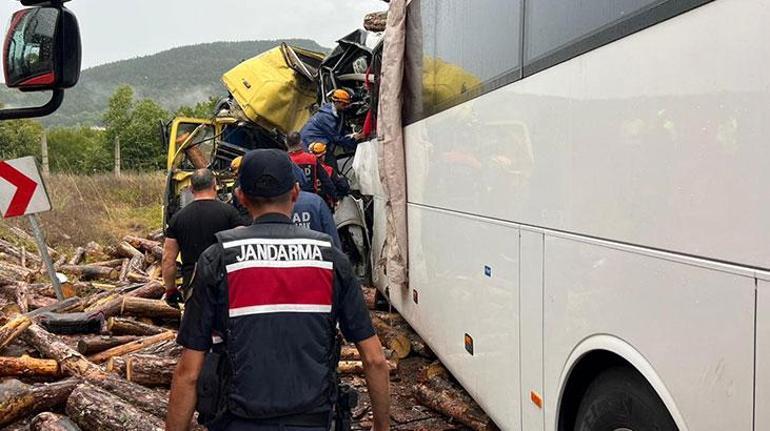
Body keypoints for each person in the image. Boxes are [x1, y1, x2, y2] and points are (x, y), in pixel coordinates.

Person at [166, 149, 391, 431]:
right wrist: (382, 426)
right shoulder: (330, 259)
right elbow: (374, 359)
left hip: (239, 420)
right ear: (296, 192)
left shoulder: (218, 259)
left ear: (240, 197)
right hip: (314, 419)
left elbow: (188, 374)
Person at [162, 169, 245, 306]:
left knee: (196, 325)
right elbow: (243, 247)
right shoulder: (230, 214)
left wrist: (171, 290)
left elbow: (168, 259)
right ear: (214, 186)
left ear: (191, 189)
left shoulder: (178, 218)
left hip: (193, 284)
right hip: (224, 283)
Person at [299, 89, 364, 168]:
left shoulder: (334, 111)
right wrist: (357, 145)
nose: (346, 107)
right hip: (309, 142)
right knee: (329, 164)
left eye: (347, 104)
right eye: (344, 105)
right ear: (336, 102)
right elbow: (336, 138)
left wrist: (352, 135)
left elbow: (341, 130)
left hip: (316, 140)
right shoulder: (326, 117)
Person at [286, 131, 339, 203]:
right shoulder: (311, 158)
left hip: (293, 202)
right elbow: (325, 179)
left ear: (286, 143)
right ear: (300, 142)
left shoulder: (284, 161)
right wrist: (335, 198)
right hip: (312, 198)